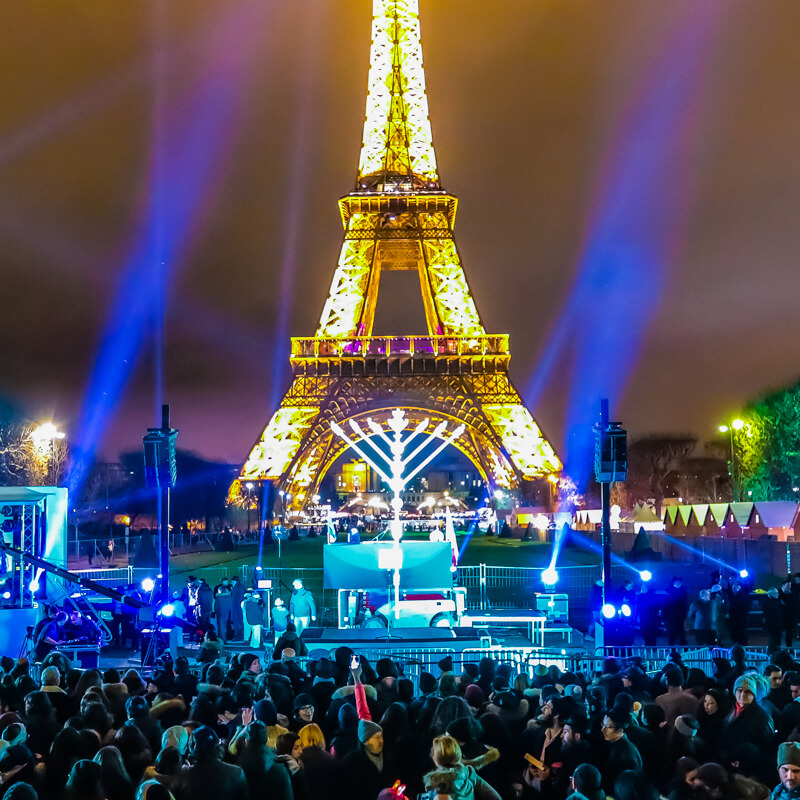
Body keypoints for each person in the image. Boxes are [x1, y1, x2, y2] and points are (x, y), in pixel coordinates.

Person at [422, 734, 500, 800]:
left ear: (435, 758)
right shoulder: (469, 773)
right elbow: (495, 797)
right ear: (458, 755)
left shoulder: (436, 784)